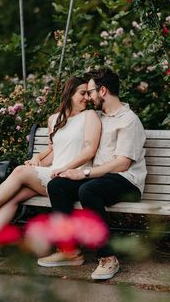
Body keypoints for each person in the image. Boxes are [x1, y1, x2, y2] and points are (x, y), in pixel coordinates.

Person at [0, 76, 101, 264]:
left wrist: (62, 168)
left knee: (20, 172)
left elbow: (90, 150)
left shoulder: (90, 116)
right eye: (82, 93)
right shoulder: (55, 119)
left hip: (73, 178)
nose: (87, 98)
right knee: (12, 197)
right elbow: (55, 151)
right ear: (70, 94)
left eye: (89, 93)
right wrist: (38, 159)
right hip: (55, 174)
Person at [37, 67, 147, 280]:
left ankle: (107, 257)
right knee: (57, 185)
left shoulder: (129, 120)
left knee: (88, 190)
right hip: (100, 178)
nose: (88, 97)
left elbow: (122, 164)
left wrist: (84, 172)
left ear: (103, 91)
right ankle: (69, 250)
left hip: (127, 181)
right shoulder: (100, 116)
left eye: (90, 92)